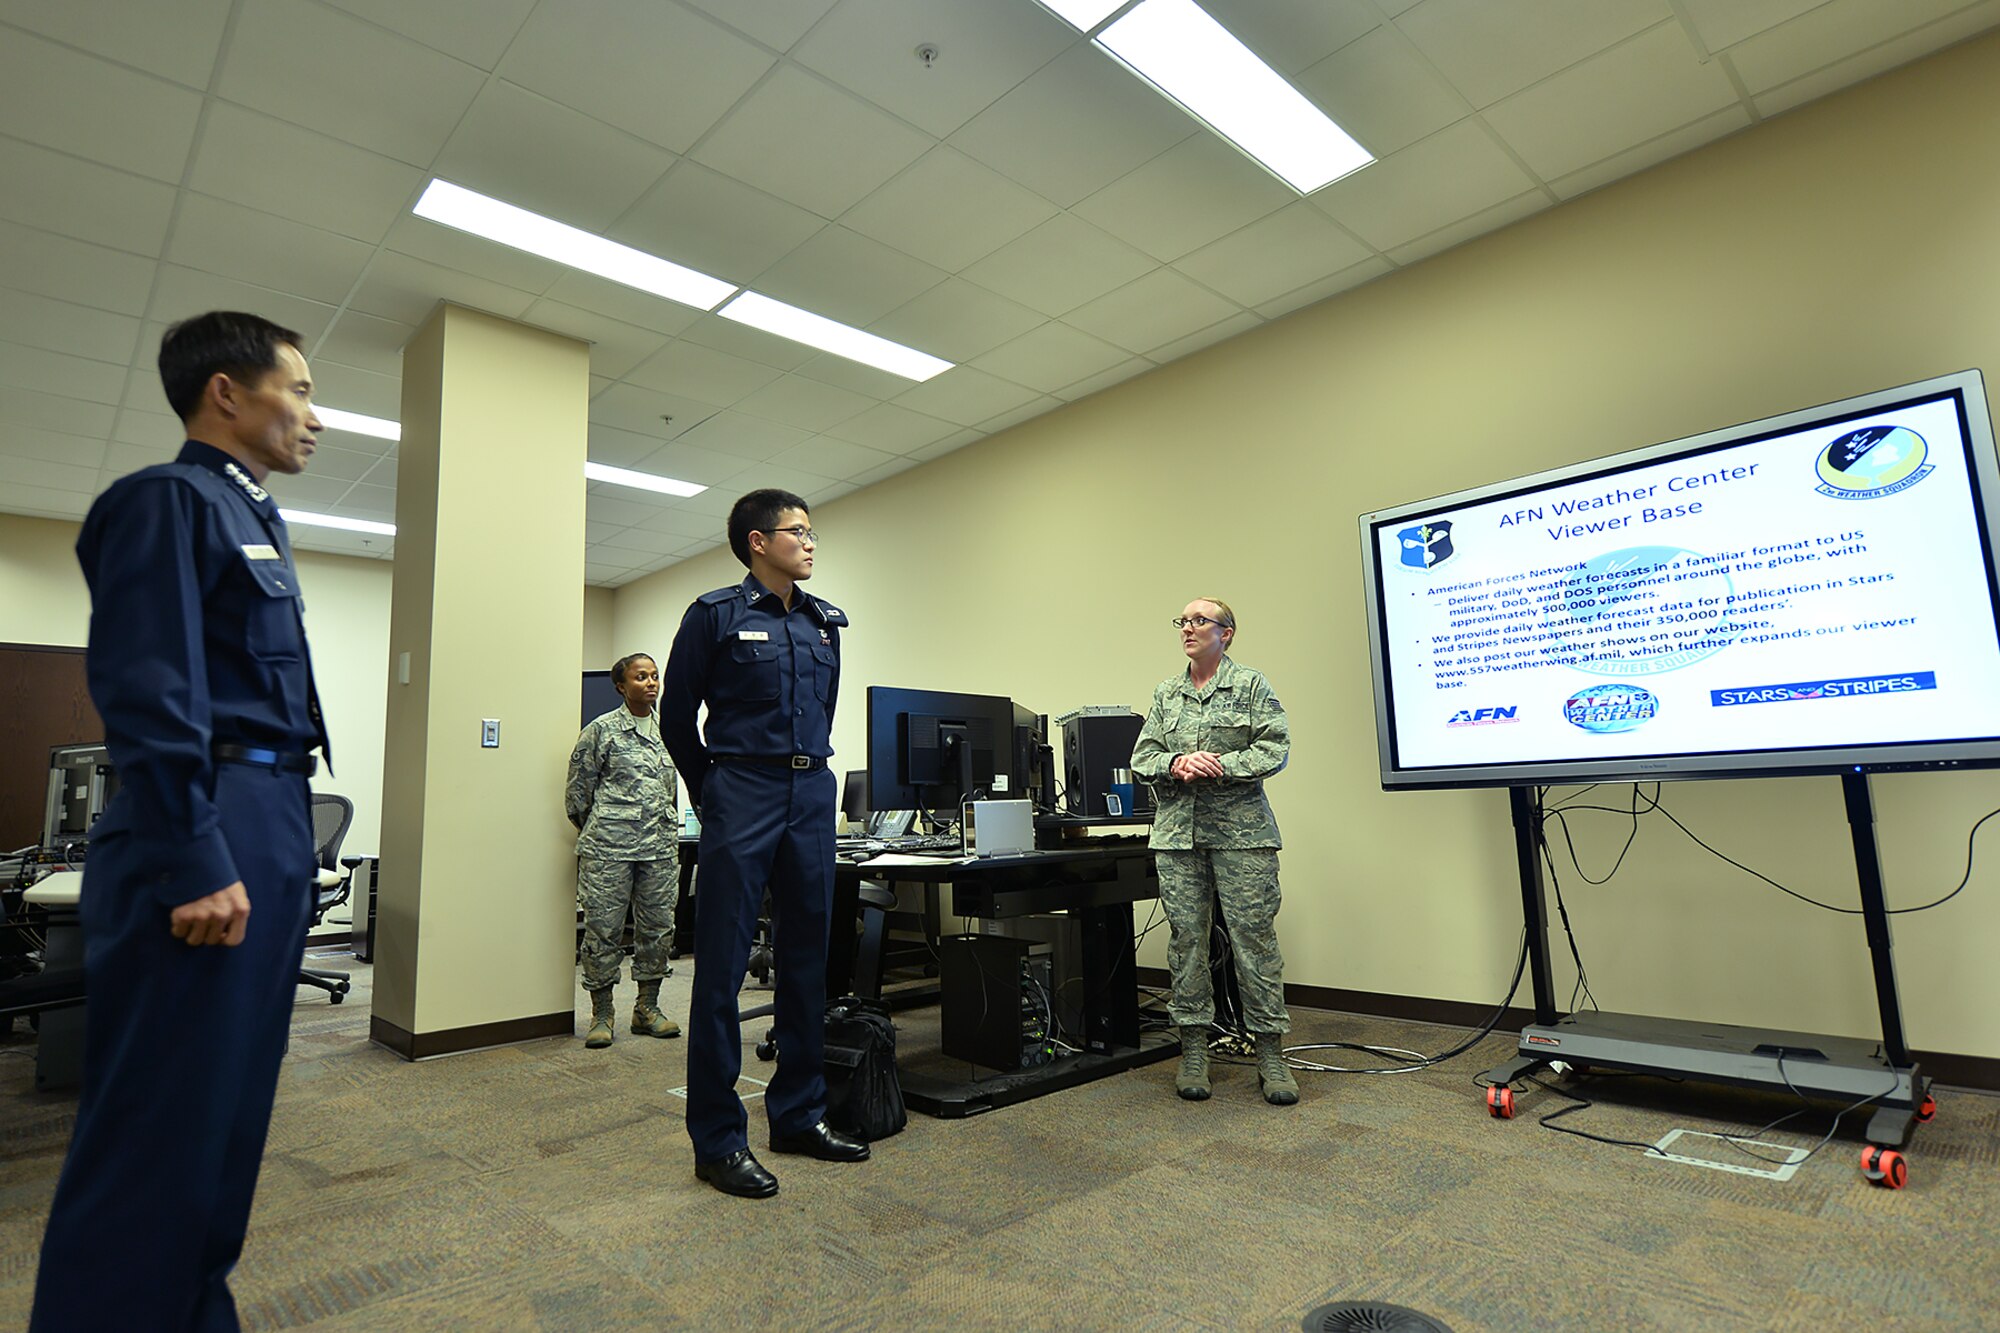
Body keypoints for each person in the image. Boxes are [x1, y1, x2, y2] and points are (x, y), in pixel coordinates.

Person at [32, 311, 334, 1329]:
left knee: (226, 1118)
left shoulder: (252, 513)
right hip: (206, 817)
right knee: (158, 1129)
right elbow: (151, 693)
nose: (313, 415)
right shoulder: (166, 500)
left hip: (271, 811)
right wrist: (195, 855)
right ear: (226, 392)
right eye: (297, 389)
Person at [660, 488, 870, 1199]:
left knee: (808, 959)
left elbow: (822, 711)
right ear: (758, 541)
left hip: (811, 794)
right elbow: (676, 716)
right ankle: (718, 1140)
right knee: (720, 969)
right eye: (797, 531)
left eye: (812, 531)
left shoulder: (824, 623)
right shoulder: (715, 614)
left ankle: (799, 1114)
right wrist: (707, 787)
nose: (810, 542)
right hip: (740, 789)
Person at [1129, 598, 1299, 1106]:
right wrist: (1177, 761)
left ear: (1227, 634)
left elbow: (1275, 747)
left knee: (1254, 942)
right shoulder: (1167, 692)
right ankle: (1195, 1050)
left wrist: (1218, 764)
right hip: (1179, 837)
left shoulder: (1250, 685)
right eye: (1183, 620)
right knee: (1187, 943)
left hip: (1242, 836)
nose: (1188, 627)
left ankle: (1270, 1051)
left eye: (1200, 620)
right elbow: (1143, 756)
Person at [567, 651, 682, 1047]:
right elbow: (578, 796)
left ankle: (647, 1008)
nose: (650, 683)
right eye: (640, 677)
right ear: (621, 685)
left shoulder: (670, 732)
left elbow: (671, 791)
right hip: (608, 851)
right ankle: (603, 1014)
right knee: (603, 932)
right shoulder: (601, 731)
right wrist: (606, 829)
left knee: (658, 930)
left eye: (654, 676)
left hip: (659, 850)